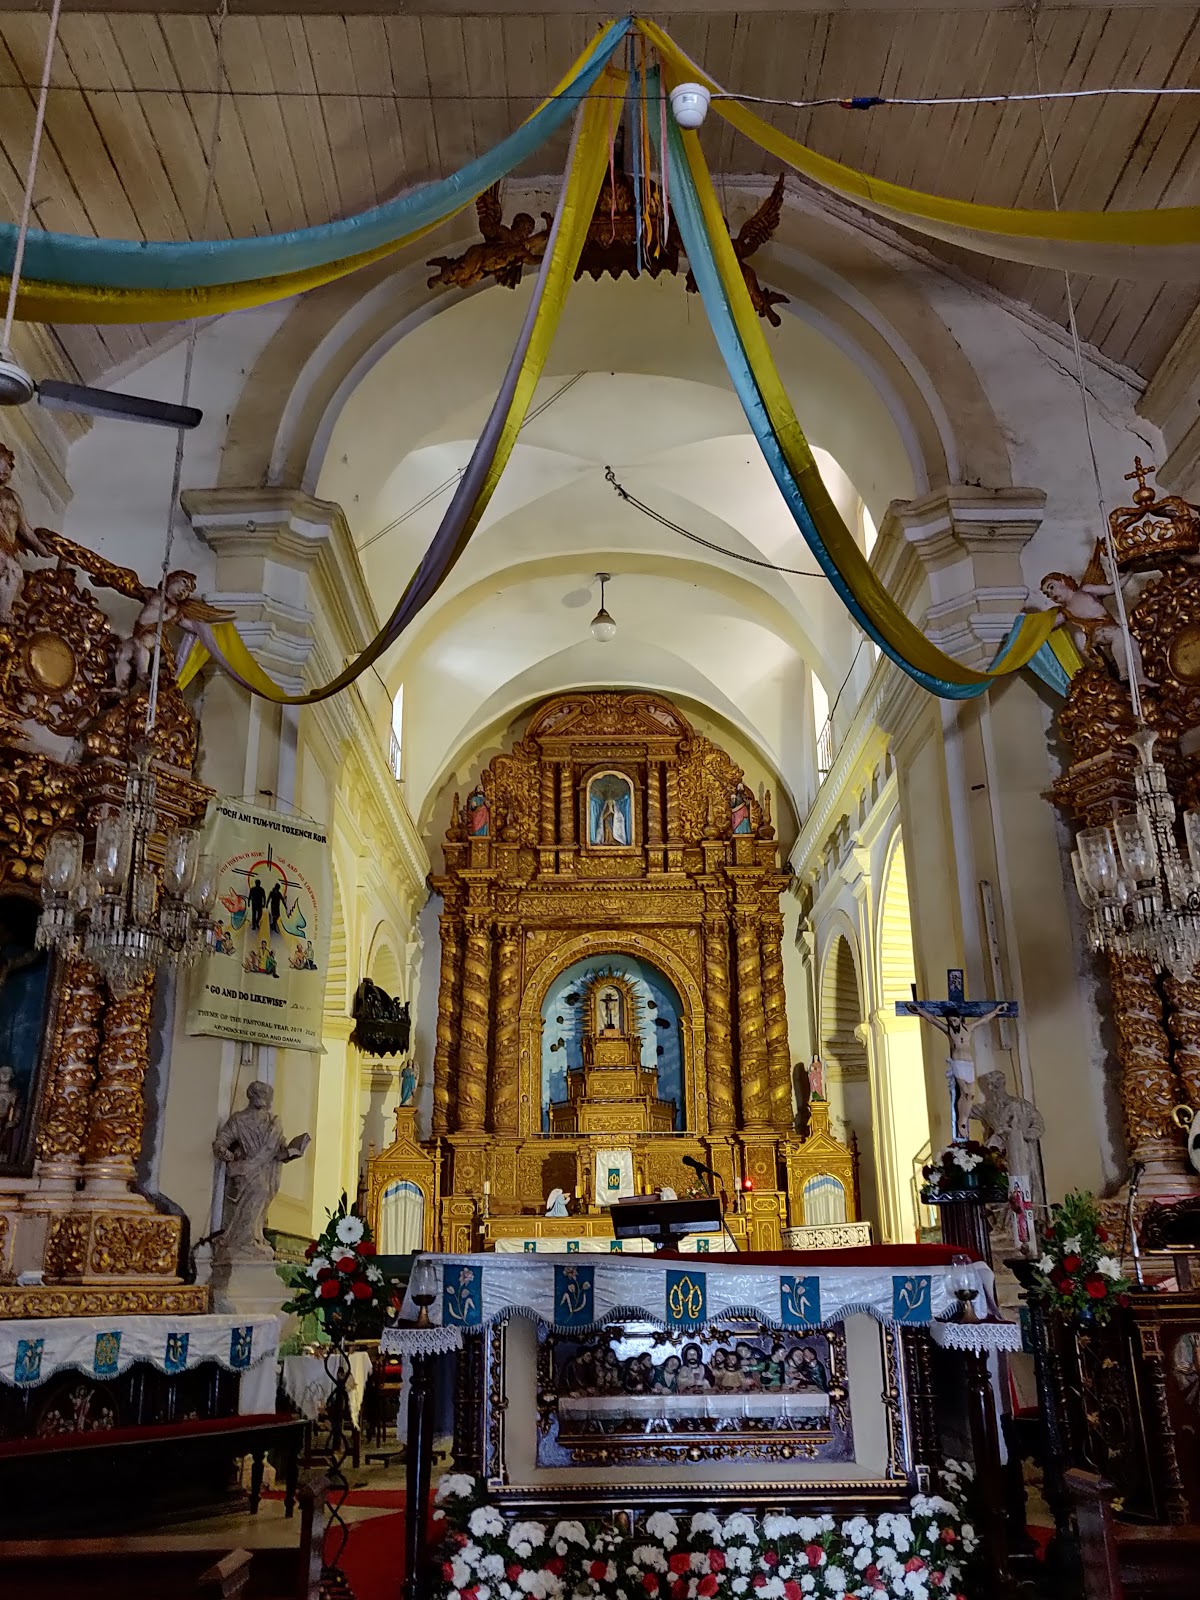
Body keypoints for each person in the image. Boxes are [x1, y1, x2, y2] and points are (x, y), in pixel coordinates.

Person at [211, 1082, 310, 1261]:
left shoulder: (272, 1123)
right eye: (259, 1094)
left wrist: (290, 1152)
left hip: (267, 1170)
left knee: (263, 1198)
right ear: (252, 1096)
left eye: (266, 1095)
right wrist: (225, 1152)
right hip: (247, 1168)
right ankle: (243, 1241)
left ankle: (254, 1237)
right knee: (259, 1191)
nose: (263, 1098)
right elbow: (222, 1140)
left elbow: (278, 1149)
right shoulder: (239, 1119)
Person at [0, 444, 50, 621]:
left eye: (8, 469)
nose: (5, 473)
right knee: (13, 571)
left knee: (14, 576)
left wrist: (41, 548)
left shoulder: (12, 496)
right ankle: (3, 615)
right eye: (2, 466)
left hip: (9, 548)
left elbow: (25, 529)